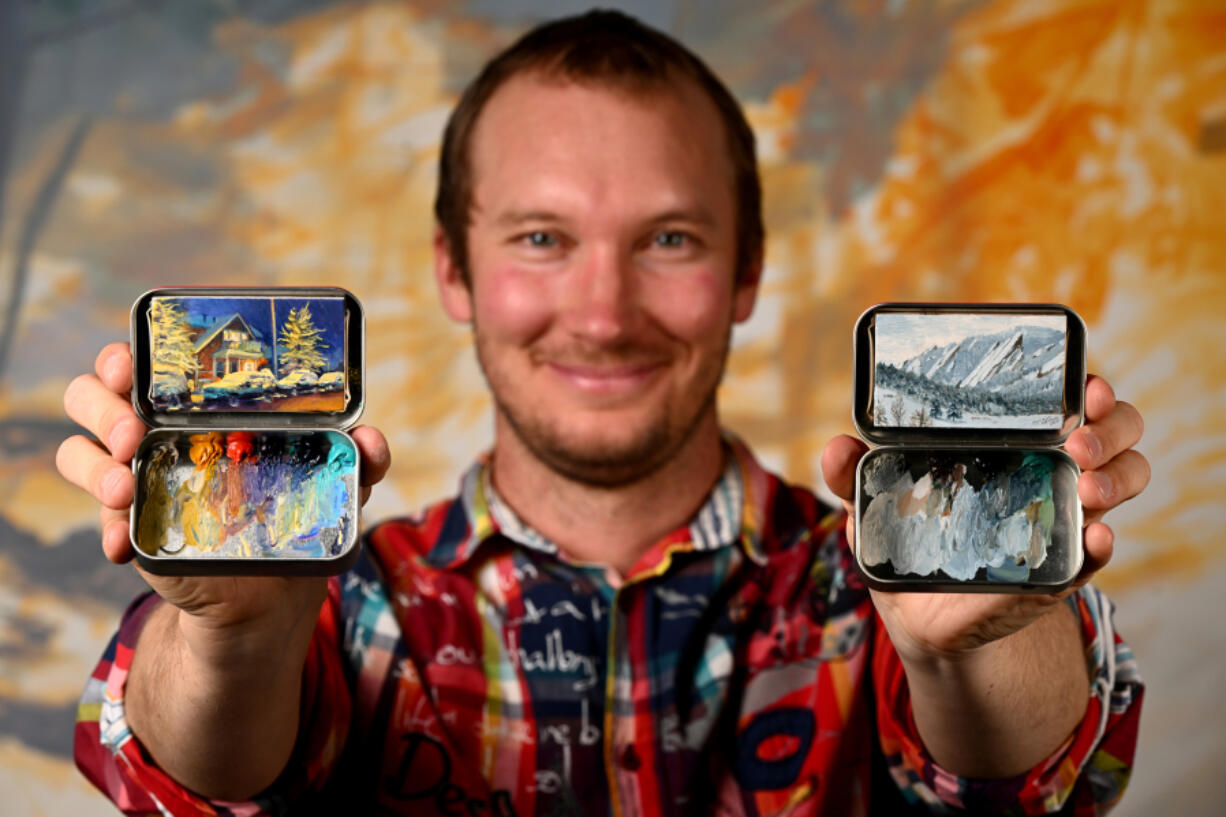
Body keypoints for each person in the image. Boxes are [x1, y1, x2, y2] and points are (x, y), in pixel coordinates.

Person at [58, 10, 1147, 816]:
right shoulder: (335, 595)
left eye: (668, 239)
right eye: (540, 238)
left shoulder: (871, 575)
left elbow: (1036, 781)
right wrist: (233, 643)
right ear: (453, 269)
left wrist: (972, 647)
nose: (603, 312)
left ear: (747, 272)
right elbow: (188, 786)